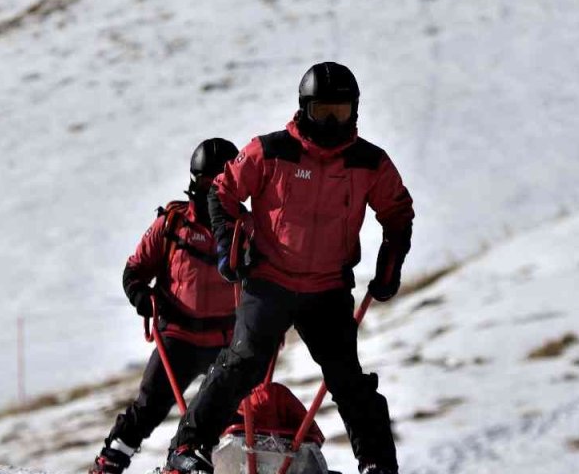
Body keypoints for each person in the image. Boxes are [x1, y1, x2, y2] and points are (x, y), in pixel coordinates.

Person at [164, 62, 415, 474]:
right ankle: (187, 449)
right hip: (269, 280)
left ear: (355, 110)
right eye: (323, 112)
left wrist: (391, 259)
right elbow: (223, 191)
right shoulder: (271, 150)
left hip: (328, 287)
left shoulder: (369, 162)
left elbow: (397, 211)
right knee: (242, 362)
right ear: (304, 109)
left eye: (342, 111)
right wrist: (229, 245)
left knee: (347, 378)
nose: (333, 122)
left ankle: (377, 465)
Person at [89, 138, 242, 474]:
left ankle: (207, 464)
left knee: (236, 416)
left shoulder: (246, 230)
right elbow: (135, 271)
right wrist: (141, 296)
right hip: (178, 337)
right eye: (207, 183)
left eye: (221, 183)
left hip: (225, 343)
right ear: (194, 182)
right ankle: (110, 462)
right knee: (149, 408)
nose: (213, 192)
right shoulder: (172, 225)